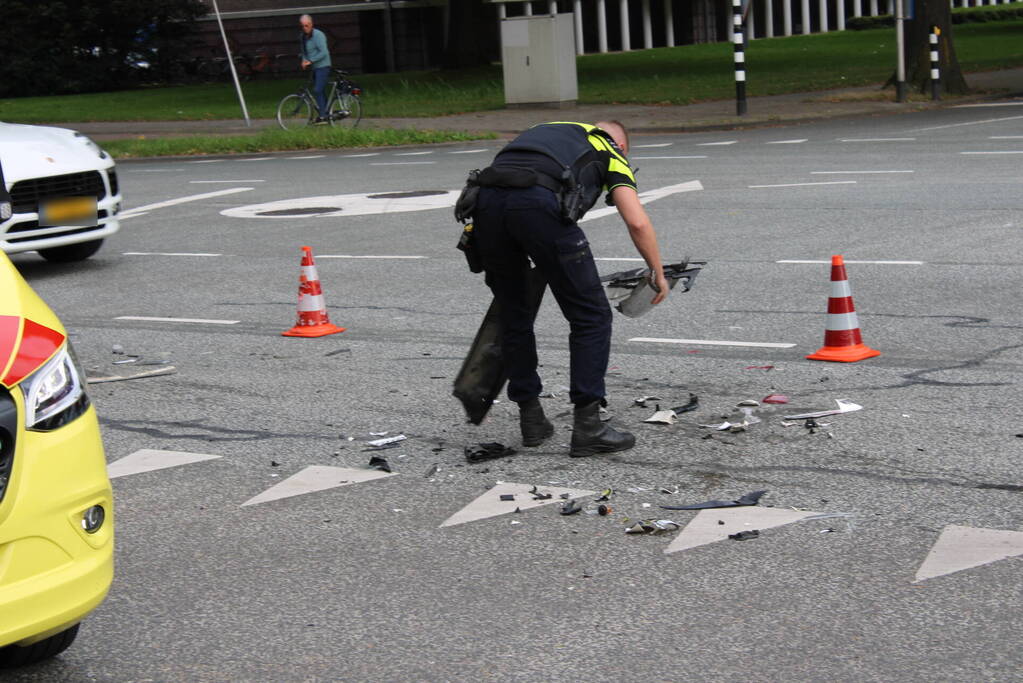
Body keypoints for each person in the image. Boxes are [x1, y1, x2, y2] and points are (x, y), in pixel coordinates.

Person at [470, 121, 669, 458]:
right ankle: (589, 428)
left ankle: (531, 420)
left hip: (485, 206)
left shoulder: (542, 132)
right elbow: (636, 220)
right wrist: (657, 271)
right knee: (590, 316)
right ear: (620, 145)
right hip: (536, 205)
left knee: (514, 314)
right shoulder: (607, 147)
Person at [299, 14, 331, 124]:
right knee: (320, 90)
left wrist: (311, 60)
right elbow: (304, 51)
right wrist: (304, 60)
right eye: (302, 26)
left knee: (317, 90)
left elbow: (324, 52)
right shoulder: (302, 36)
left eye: (307, 25)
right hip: (313, 68)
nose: (305, 28)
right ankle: (326, 114)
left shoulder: (318, 35)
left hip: (323, 66)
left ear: (311, 24)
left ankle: (322, 116)